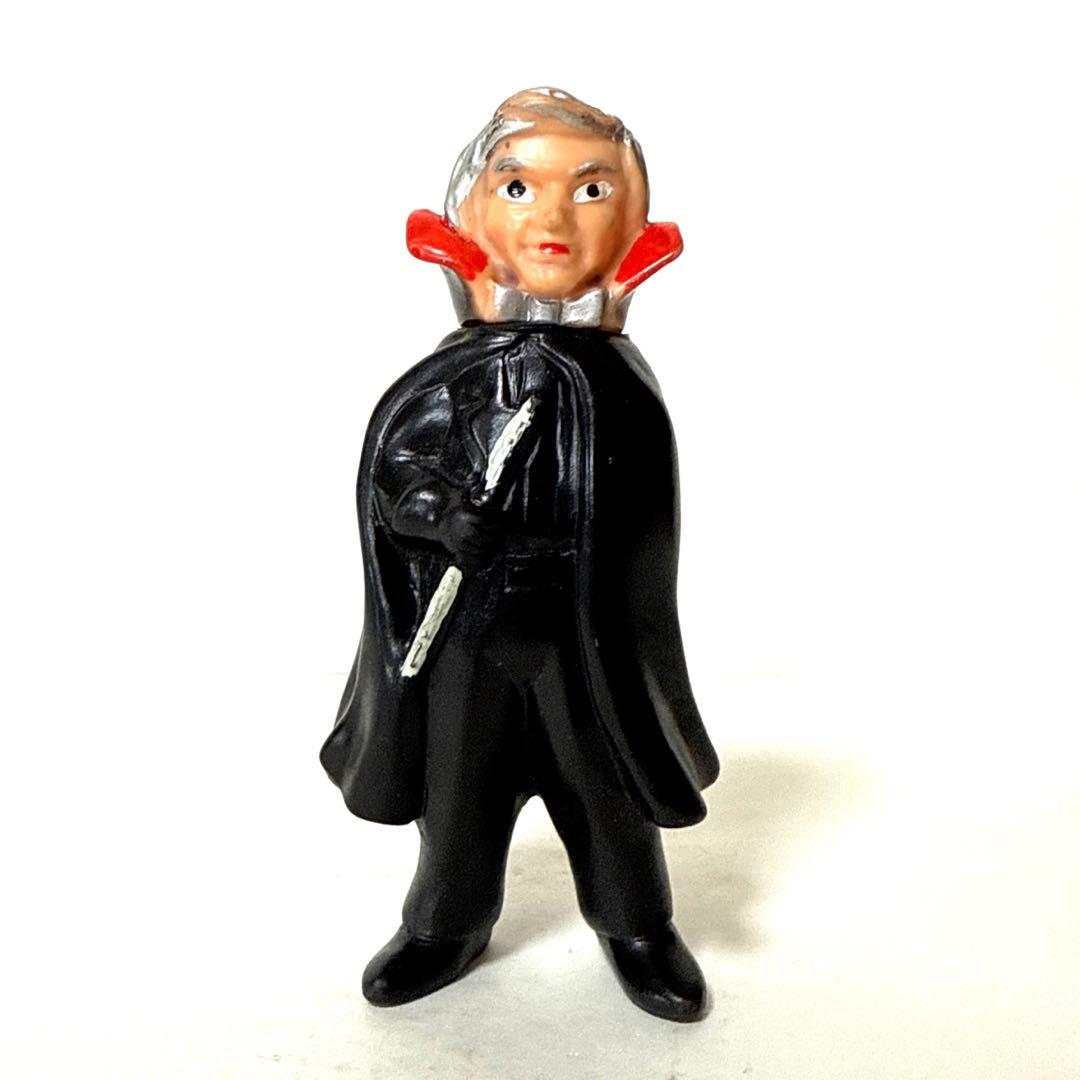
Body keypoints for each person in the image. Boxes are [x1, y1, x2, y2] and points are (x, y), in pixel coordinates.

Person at [320, 88, 719, 1022]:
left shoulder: (617, 380)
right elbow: (396, 471)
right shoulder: (455, 374)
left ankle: (637, 924)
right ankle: (446, 921)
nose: (552, 217)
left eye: (590, 191)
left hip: (584, 639)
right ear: (471, 213)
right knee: (458, 789)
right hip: (472, 632)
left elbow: (642, 517)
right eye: (517, 186)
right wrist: (438, 511)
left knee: (608, 792)